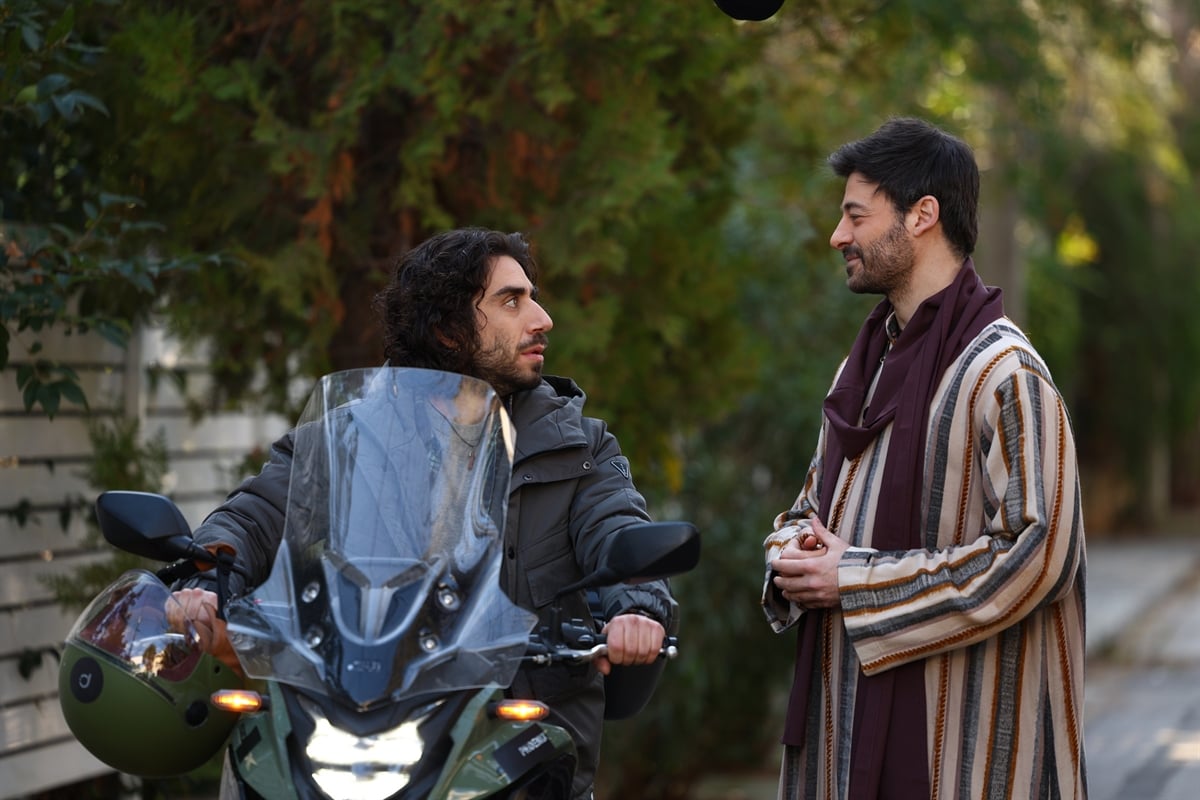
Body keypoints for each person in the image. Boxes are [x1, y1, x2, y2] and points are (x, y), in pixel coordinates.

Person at [174, 227, 677, 799]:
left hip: (512, 753)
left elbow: (621, 533)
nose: (543, 319)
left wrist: (637, 610)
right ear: (447, 330)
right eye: (511, 302)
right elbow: (252, 517)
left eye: (532, 298)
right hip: (357, 726)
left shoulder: (577, 449)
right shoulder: (348, 437)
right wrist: (204, 581)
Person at [761, 118, 1086, 799]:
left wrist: (855, 579)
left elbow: (1037, 556)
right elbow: (808, 508)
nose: (838, 235)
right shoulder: (862, 370)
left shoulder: (1007, 374)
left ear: (922, 215)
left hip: (968, 752)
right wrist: (794, 553)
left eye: (856, 216)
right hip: (845, 731)